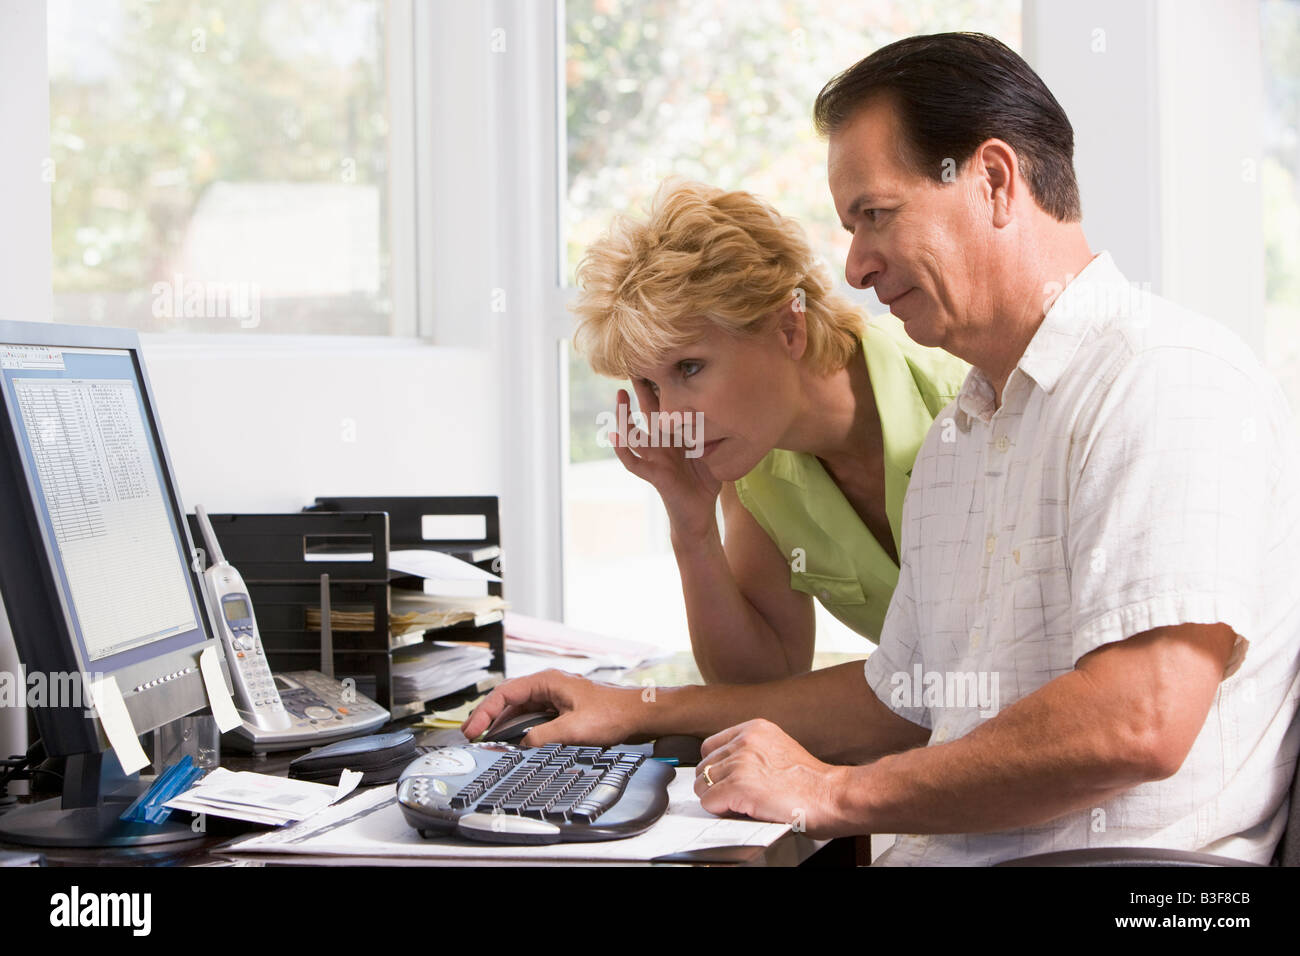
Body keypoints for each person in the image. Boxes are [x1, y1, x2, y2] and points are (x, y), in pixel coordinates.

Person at [467, 33, 1300, 865]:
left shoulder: (1163, 378)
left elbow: (1138, 722)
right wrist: (640, 708)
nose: (855, 267)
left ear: (994, 181)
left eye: (875, 216)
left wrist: (830, 792)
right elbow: (900, 699)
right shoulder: (967, 434)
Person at [572, 179, 969, 683]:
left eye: (689, 368)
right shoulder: (753, 468)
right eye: (649, 384)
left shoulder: (962, 395)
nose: (669, 418)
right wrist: (692, 530)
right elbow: (759, 683)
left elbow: (965, 673)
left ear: (788, 327)